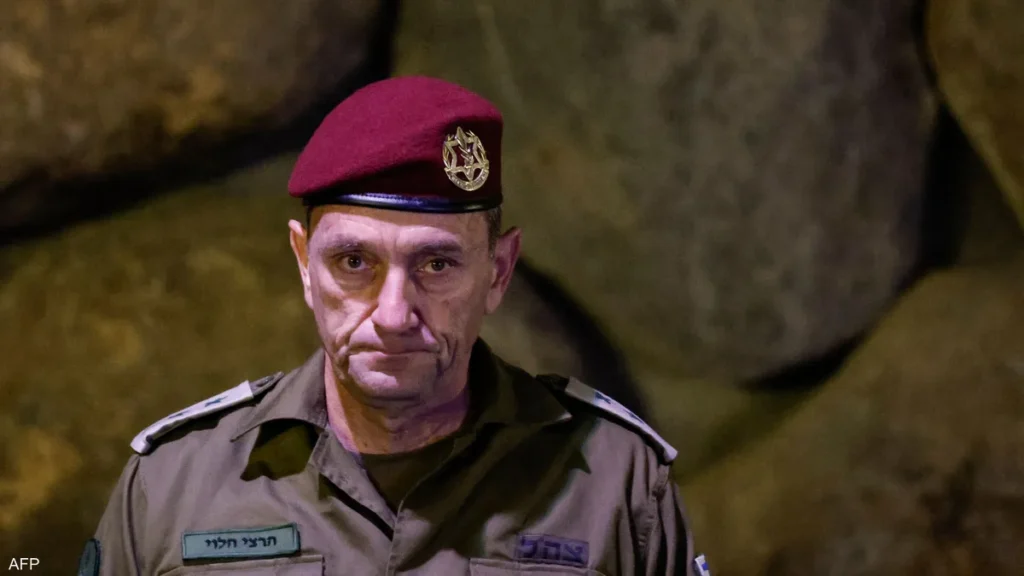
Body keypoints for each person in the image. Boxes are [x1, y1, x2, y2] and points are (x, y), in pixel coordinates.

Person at [83, 76, 709, 576]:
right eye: (354, 263)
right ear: (304, 263)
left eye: (436, 265)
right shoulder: (174, 484)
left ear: (497, 272)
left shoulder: (615, 482)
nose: (392, 314)